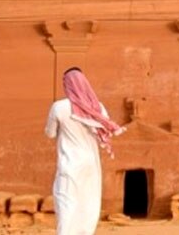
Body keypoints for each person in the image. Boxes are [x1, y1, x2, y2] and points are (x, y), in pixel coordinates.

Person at [44, 68, 125, 235]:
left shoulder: (59, 107)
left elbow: (50, 133)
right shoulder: (97, 107)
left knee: (66, 201)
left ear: (67, 84)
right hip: (91, 163)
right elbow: (103, 128)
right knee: (88, 202)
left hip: (70, 162)